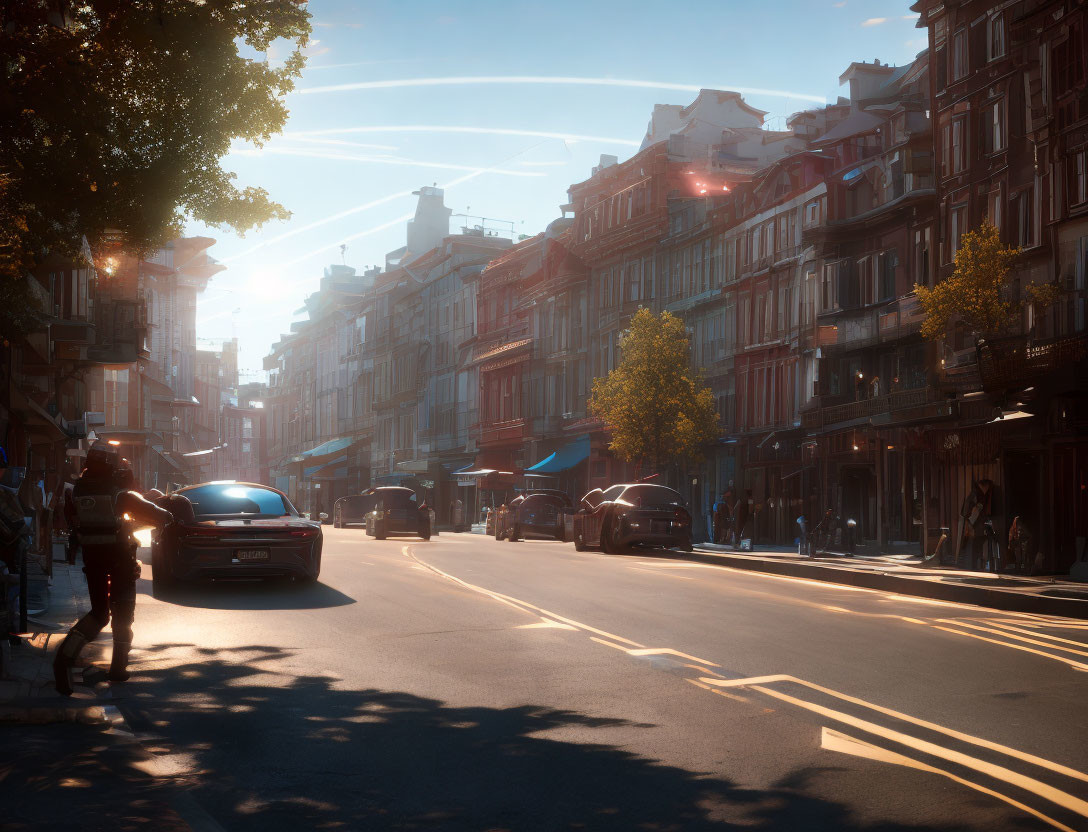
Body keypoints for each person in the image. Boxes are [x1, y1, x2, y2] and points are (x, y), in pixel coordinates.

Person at [53, 442, 173, 696]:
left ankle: (64, 658)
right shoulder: (121, 495)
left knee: (98, 614)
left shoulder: (76, 492)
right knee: (123, 615)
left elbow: (71, 520)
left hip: (92, 560)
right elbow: (160, 515)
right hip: (120, 561)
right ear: (111, 465)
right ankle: (118, 668)